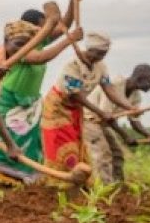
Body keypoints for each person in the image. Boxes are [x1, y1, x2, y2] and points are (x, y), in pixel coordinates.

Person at [0, 17, 82, 186]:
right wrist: (10, 145)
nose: (23, 50)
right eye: (18, 44)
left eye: (27, 46)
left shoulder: (9, 61)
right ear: (6, 42)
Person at [40, 32, 140, 185]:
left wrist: (129, 107)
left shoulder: (101, 67)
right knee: (63, 144)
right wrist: (101, 113)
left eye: (104, 54)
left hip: (75, 110)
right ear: (89, 49)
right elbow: (77, 96)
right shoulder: (73, 66)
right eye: (98, 53)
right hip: (57, 107)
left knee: (77, 145)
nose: (100, 57)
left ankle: (76, 180)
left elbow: (109, 89)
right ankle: (57, 181)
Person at [83, 64, 150, 184]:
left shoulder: (135, 96)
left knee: (117, 154)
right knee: (104, 154)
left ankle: (118, 185)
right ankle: (103, 187)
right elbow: (107, 116)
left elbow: (134, 121)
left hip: (103, 124)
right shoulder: (115, 85)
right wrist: (125, 136)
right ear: (139, 79)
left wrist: (149, 135)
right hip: (90, 120)